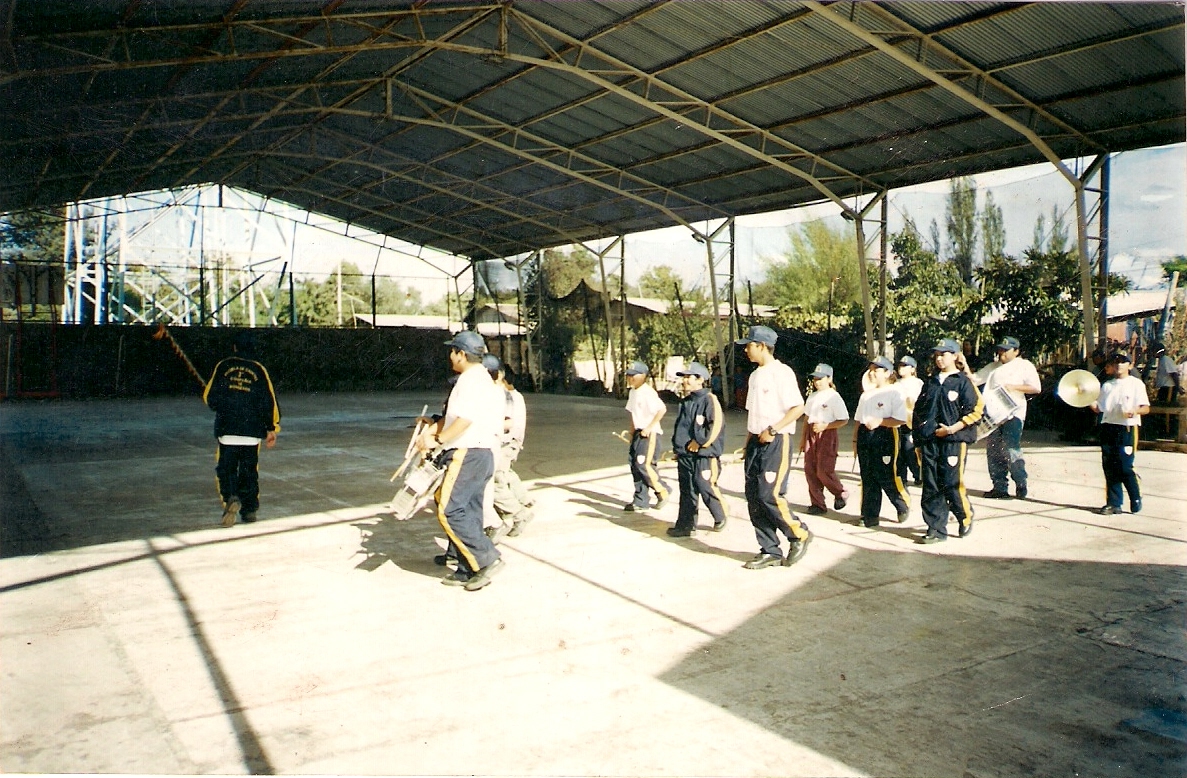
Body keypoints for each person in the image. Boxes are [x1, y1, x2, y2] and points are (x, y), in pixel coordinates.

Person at [416, 331, 505, 591]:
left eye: (452, 351)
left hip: (467, 452)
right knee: (469, 510)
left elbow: (465, 420)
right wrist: (432, 432)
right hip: (482, 452)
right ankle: (468, 567)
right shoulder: (479, 379)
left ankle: (487, 559)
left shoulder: (469, 381)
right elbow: (455, 417)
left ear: (462, 354)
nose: (450, 356)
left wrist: (439, 441)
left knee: (449, 508)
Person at [735, 325, 811, 569]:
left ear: (762, 346)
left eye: (749, 345)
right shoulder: (755, 375)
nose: (746, 350)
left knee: (770, 494)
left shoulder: (782, 373)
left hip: (777, 441)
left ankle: (799, 533)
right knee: (754, 496)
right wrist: (748, 443)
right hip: (757, 441)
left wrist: (774, 429)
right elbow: (753, 414)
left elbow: (798, 408)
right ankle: (769, 549)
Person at [203, 331, 281, 527]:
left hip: (228, 430)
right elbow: (268, 402)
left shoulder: (223, 366)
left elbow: (209, 398)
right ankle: (249, 510)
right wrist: (272, 428)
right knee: (249, 471)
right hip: (251, 433)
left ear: (235, 347)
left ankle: (230, 497)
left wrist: (221, 402)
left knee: (226, 469)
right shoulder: (259, 370)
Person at [912, 338, 984, 544]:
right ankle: (935, 528)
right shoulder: (931, 382)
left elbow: (977, 409)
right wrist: (919, 436)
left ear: (954, 356)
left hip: (954, 440)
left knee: (951, 482)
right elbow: (919, 412)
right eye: (937, 355)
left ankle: (964, 515)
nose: (939, 359)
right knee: (931, 484)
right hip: (930, 441)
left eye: (944, 354)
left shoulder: (963, 382)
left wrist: (953, 428)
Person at [972, 336, 1041, 500]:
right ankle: (999, 486)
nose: (1001, 353)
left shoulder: (1024, 366)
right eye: (1000, 349)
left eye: (1006, 350)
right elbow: (975, 379)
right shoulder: (993, 367)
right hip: (994, 415)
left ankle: (1020, 481)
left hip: (1013, 413)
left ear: (1016, 351)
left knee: (1011, 448)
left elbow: (1036, 388)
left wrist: (1013, 387)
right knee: (994, 451)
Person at [667, 362, 728, 537]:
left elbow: (715, 425)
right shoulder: (686, 401)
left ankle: (721, 513)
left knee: (704, 484)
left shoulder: (709, 400)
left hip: (704, 455)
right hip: (685, 454)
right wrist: (678, 447)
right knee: (687, 489)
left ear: (700, 379)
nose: (684, 381)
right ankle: (686, 525)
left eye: (688, 377)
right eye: (683, 377)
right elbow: (681, 427)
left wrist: (701, 442)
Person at [482, 354, 535, 540]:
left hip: (507, 443)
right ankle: (523, 500)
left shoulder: (507, 397)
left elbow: (508, 424)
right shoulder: (514, 395)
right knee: (506, 475)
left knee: (495, 481)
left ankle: (519, 513)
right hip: (511, 443)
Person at [853, 356, 910, 527]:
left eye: (876, 370)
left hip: (885, 434)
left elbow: (900, 419)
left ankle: (902, 504)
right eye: (871, 369)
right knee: (867, 475)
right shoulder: (866, 395)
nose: (872, 373)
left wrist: (881, 421)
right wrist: (856, 440)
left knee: (886, 473)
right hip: (866, 435)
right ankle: (870, 515)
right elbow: (858, 419)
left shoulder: (894, 392)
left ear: (887, 373)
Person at [1090, 353, 1150, 515]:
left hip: (1127, 428)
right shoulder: (1107, 386)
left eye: (1123, 362)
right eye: (1115, 362)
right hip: (1109, 426)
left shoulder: (1136, 384)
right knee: (1109, 465)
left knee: (1124, 465)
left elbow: (1145, 407)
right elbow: (1099, 408)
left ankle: (1135, 495)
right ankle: (1114, 502)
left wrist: (1134, 411)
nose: (1118, 365)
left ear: (1130, 366)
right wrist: (1086, 397)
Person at [801, 363, 849, 516]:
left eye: (821, 379)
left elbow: (844, 419)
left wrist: (825, 426)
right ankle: (818, 504)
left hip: (827, 433)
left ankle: (840, 492)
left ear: (829, 378)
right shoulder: (812, 396)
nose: (817, 382)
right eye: (815, 379)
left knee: (824, 470)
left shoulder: (833, 396)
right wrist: (803, 439)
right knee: (810, 469)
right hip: (811, 432)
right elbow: (806, 418)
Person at [622, 360, 671, 513]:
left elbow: (662, 410)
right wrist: (632, 433)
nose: (630, 378)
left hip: (650, 434)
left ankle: (663, 490)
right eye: (628, 375)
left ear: (643, 376)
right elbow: (632, 413)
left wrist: (649, 427)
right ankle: (640, 500)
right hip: (638, 433)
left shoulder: (648, 392)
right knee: (635, 465)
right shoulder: (633, 392)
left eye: (633, 375)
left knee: (644, 465)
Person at [895, 355, 924, 485]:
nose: (901, 368)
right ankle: (901, 476)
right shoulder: (896, 384)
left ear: (913, 369)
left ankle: (918, 473)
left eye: (905, 366)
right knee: (899, 449)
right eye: (900, 365)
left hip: (912, 421)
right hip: (898, 420)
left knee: (909, 448)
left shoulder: (918, 383)